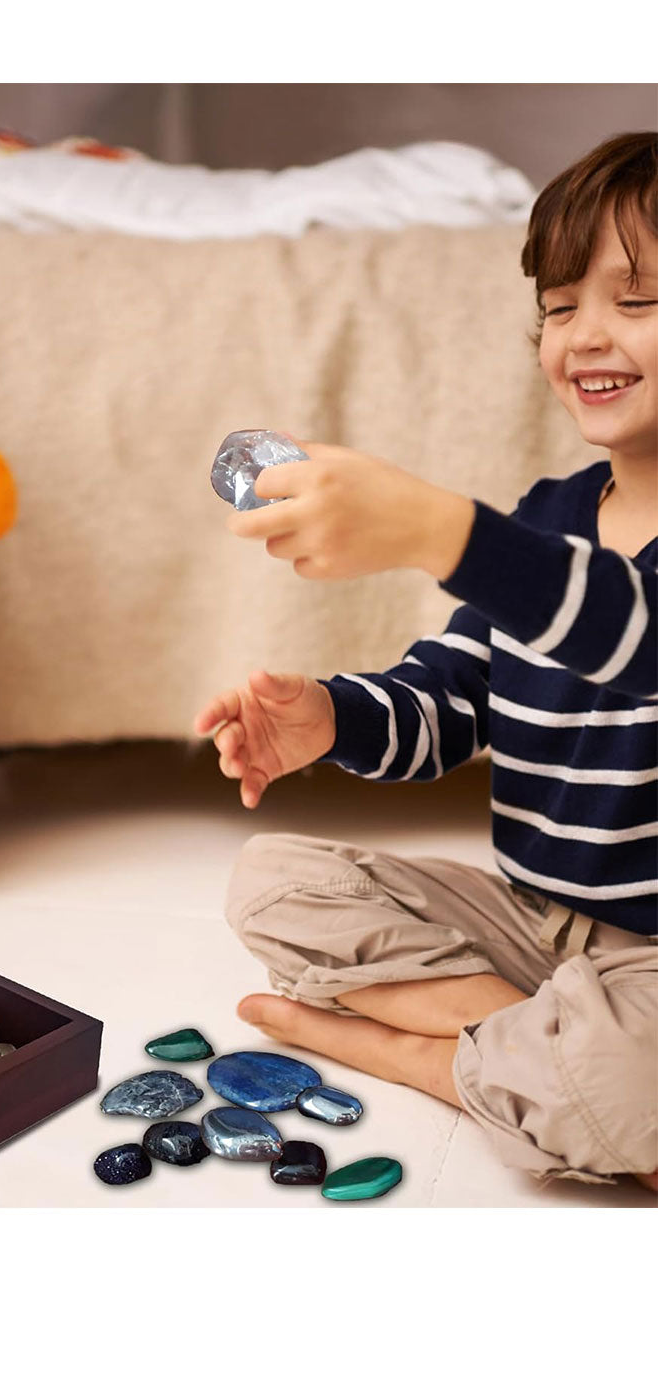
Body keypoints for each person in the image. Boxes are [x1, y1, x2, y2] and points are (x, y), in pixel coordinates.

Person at [194, 131, 657, 1189]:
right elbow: (447, 697)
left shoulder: (514, 551)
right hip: (529, 924)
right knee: (271, 883)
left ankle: (414, 1051)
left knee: (624, 1064)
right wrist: (331, 718)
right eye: (559, 305)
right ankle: (537, 1070)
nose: (585, 334)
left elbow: (637, 634)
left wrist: (445, 532)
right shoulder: (548, 520)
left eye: (638, 302)